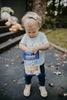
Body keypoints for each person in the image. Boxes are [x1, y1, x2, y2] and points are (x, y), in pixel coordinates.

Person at [19, 12, 50, 97]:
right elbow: (20, 45)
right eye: (29, 32)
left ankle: (42, 86)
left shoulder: (41, 35)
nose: (31, 34)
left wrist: (39, 47)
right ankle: (28, 85)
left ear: (38, 27)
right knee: (28, 75)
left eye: (34, 32)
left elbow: (47, 45)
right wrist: (26, 49)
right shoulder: (25, 36)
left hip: (39, 62)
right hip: (29, 63)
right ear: (25, 28)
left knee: (41, 75)